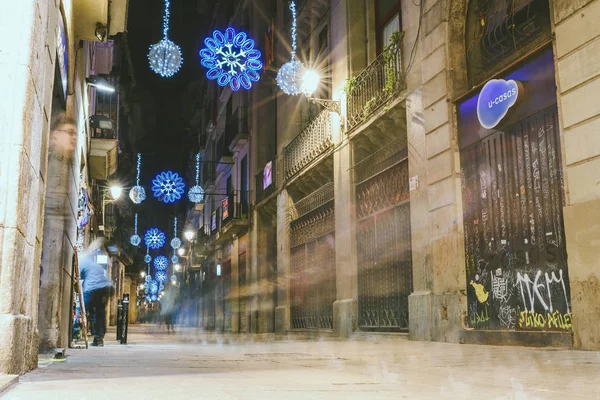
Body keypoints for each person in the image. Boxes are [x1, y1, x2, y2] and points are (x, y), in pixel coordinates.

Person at [79, 238, 114, 346]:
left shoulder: (84, 258)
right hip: (106, 287)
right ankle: (99, 337)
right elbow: (105, 268)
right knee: (100, 312)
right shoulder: (102, 255)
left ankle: (93, 333)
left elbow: (79, 273)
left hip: (92, 288)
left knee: (90, 311)